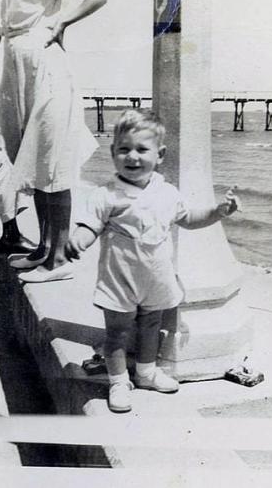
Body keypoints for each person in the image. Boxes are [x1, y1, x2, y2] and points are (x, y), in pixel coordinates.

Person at [65, 110, 241, 413]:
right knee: (117, 334)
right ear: (112, 152)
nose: (132, 157)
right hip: (119, 280)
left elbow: (189, 219)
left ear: (159, 155)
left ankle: (146, 374)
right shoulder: (105, 195)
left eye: (141, 149)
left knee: (152, 328)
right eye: (124, 149)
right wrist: (78, 240)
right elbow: (89, 225)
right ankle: (119, 381)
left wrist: (219, 211)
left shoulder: (167, 193)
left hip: (156, 279)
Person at [0, 0, 106, 283]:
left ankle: (58, 259)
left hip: (44, 63)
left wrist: (62, 23)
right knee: (31, 160)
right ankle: (45, 249)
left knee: (52, 158)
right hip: (17, 66)